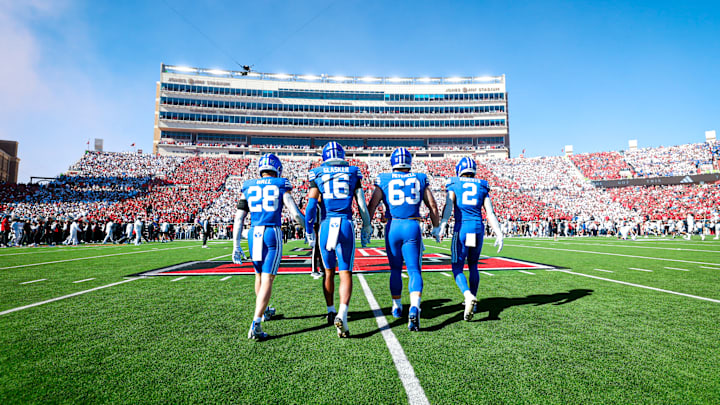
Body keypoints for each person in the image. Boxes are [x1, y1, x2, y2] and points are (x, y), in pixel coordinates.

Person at [232, 153, 305, 341]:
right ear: (277, 169)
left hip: (253, 233)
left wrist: (235, 246)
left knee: (259, 276)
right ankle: (256, 322)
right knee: (268, 278)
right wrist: (309, 228)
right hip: (271, 232)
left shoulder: (248, 186)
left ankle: (263, 311)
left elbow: (239, 218)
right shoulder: (281, 183)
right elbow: (295, 214)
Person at [368, 147, 440, 331]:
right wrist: (437, 227)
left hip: (393, 227)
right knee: (414, 270)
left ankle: (397, 306)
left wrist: (367, 226)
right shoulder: (420, 178)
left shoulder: (384, 179)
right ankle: (414, 306)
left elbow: (372, 204)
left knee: (395, 269)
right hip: (412, 226)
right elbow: (432, 205)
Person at [305, 142, 372, 338]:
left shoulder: (317, 173)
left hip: (326, 225)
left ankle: (330, 310)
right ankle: (343, 313)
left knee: (328, 272)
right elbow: (361, 204)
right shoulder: (352, 172)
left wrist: (309, 230)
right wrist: (366, 226)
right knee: (345, 272)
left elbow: (310, 207)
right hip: (345, 224)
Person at [435, 157, 504, 321]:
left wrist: (443, 224)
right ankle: (474, 298)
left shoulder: (454, 183)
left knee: (457, 267)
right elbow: (490, 213)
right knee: (473, 264)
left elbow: (449, 205)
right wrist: (498, 232)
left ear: (459, 170)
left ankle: (467, 296)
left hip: (462, 228)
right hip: (477, 229)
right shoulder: (482, 185)